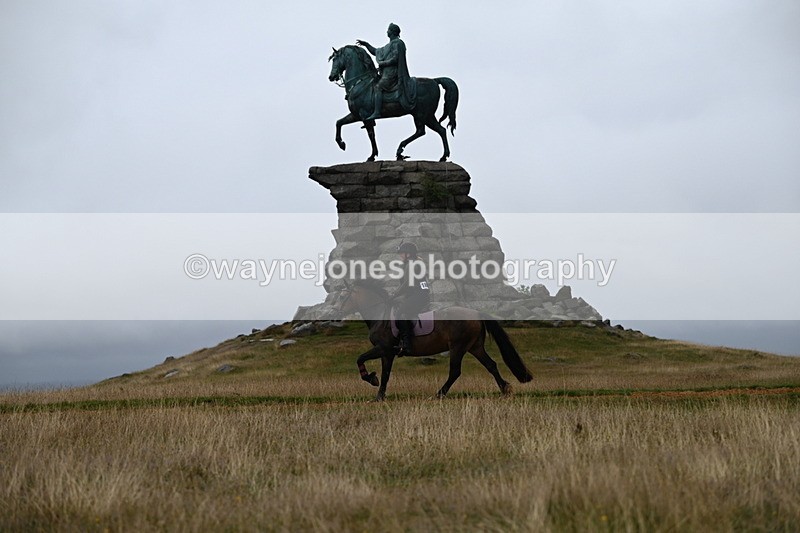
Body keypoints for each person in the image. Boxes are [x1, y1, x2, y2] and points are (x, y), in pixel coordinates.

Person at [356, 23, 417, 120]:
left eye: (388, 30)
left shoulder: (398, 43)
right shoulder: (388, 46)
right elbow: (376, 51)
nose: (387, 32)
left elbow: (395, 58)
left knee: (378, 87)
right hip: (386, 73)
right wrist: (366, 45)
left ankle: (377, 112)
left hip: (392, 73)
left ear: (392, 32)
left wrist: (383, 63)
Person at [392, 242, 430, 356]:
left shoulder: (412, 264)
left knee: (400, 313)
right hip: (417, 294)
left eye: (401, 253)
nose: (400, 256)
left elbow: (407, 283)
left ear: (408, 254)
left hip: (418, 295)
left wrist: (394, 295)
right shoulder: (413, 263)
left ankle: (407, 345)